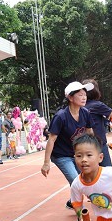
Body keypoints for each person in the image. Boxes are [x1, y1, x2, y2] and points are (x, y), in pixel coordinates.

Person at [41, 81, 94, 210]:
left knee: (86, 179)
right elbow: (51, 140)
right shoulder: (61, 116)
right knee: (76, 181)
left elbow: (90, 133)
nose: (84, 97)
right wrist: (46, 163)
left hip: (77, 154)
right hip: (61, 155)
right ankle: (80, 213)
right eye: (80, 95)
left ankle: (72, 202)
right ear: (70, 98)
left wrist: (93, 152)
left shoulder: (85, 113)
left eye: (85, 95)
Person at [82, 78, 112, 167]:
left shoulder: (81, 106)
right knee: (107, 170)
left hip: (84, 143)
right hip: (99, 143)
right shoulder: (97, 105)